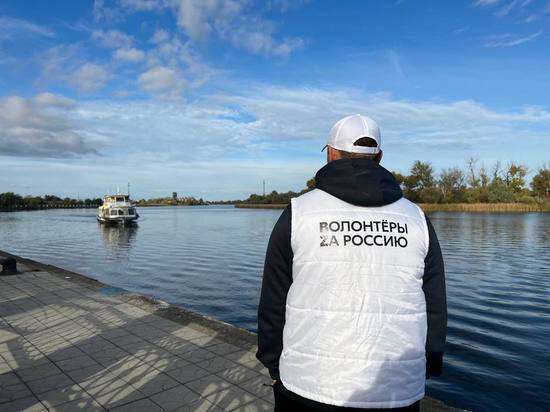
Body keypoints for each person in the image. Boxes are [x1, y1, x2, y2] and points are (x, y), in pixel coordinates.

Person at [256, 114, 447, 411]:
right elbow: (434, 306)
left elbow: (273, 302)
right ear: (379, 156)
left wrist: (274, 363)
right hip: (397, 390)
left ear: (331, 153)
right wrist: (429, 364)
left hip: (308, 386)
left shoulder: (299, 213)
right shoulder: (417, 219)